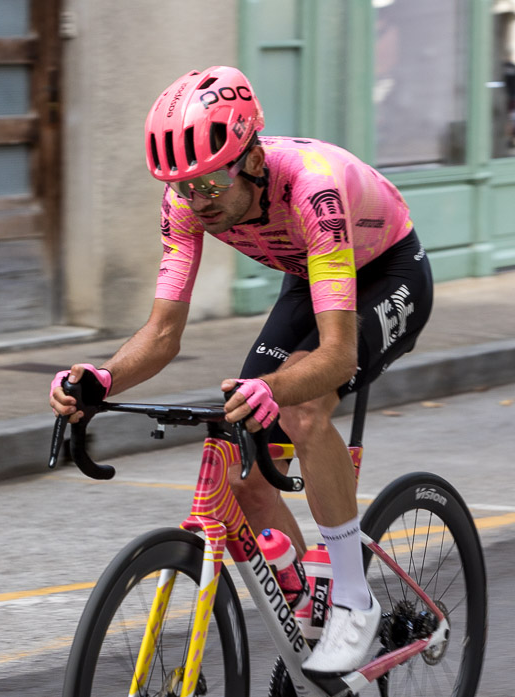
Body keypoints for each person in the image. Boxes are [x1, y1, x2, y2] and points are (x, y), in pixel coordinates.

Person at [50, 66, 433, 677]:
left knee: (302, 409)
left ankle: (355, 603)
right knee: (244, 456)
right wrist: (103, 380)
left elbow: (336, 355)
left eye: (209, 182)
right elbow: (162, 333)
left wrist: (274, 388)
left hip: (386, 275)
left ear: (252, 157)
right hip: (312, 277)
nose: (198, 201)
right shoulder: (186, 201)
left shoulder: (314, 190)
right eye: (184, 186)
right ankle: (310, 604)